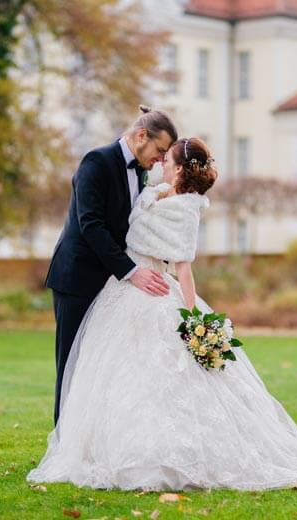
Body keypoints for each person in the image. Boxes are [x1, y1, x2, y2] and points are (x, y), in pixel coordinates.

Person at [29, 138, 297, 491]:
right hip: (124, 291)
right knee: (120, 376)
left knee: (158, 378)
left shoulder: (185, 208)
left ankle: (161, 456)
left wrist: (193, 319)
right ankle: (100, 449)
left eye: (168, 159)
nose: (161, 162)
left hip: (155, 290)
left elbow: (184, 266)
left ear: (179, 168)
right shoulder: (158, 193)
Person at [44, 106, 178, 426]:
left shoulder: (142, 173)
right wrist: (132, 271)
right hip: (77, 279)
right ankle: (64, 441)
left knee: (102, 367)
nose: (160, 161)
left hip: (111, 286)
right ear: (141, 136)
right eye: (159, 152)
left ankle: (94, 438)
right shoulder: (97, 161)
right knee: (72, 363)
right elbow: (90, 225)